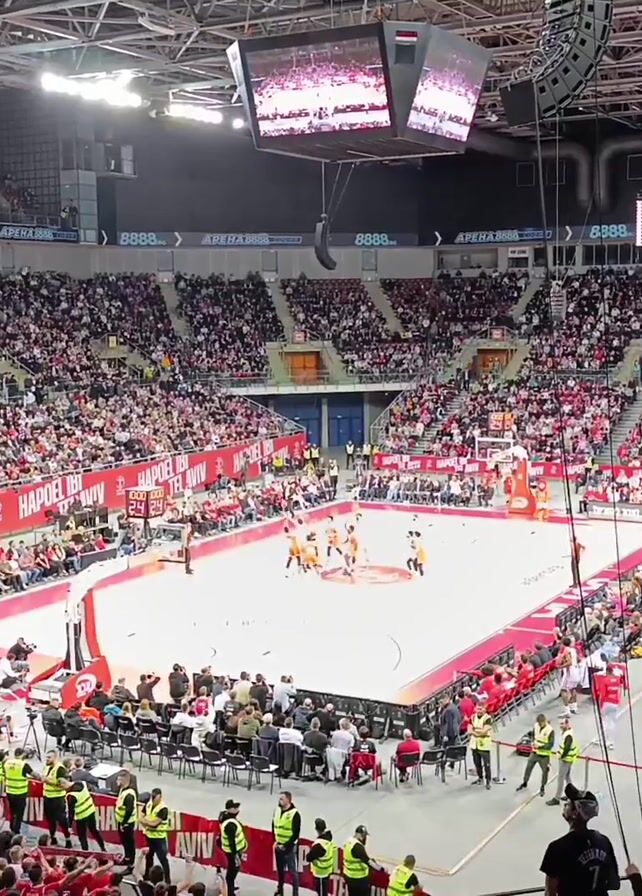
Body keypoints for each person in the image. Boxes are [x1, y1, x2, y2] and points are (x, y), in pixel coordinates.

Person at [540, 784, 619, 895]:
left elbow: (550, 893)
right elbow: (614, 883)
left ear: (575, 813)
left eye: (568, 804)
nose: (565, 805)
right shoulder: (604, 841)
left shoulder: (557, 848)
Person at [62, 777, 106, 851]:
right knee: (94, 831)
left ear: (63, 785)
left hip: (81, 817)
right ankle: (103, 848)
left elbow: (71, 812)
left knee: (82, 836)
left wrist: (69, 825)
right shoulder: (82, 783)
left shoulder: (71, 795)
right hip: (90, 811)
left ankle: (85, 852)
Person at [516, 713, 555, 797]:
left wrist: (541, 747)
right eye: (538, 723)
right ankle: (525, 782)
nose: (539, 725)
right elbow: (533, 735)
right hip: (534, 752)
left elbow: (551, 744)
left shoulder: (550, 730)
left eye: (541, 723)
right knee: (528, 767)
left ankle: (542, 787)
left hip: (544, 755)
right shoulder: (536, 725)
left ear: (544, 721)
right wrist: (533, 742)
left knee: (545, 771)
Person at [42, 750, 73, 848]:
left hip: (57, 799)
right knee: (50, 820)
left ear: (55, 758)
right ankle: (53, 838)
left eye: (49, 757)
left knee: (62, 820)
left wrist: (48, 781)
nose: (47, 759)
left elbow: (64, 785)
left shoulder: (60, 769)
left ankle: (68, 840)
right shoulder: (46, 767)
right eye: (46, 757)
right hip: (47, 797)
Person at [546, 718, 580, 807]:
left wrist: (561, 756)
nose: (561, 726)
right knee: (567, 777)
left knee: (560, 779)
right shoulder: (568, 732)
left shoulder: (568, 735)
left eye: (562, 724)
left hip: (565, 760)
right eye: (560, 724)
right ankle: (571, 795)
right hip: (569, 759)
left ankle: (556, 798)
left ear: (567, 724)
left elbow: (567, 747)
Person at [272, 791, 301, 896]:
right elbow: (274, 826)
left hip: (289, 847)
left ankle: (295, 893)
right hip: (278, 846)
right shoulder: (277, 810)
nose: (279, 801)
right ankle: (280, 890)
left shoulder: (295, 814)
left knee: (293, 873)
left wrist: (285, 845)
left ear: (288, 800)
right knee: (280, 871)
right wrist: (275, 841)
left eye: (282, 799)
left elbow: (296, 834)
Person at [140, 787, 171, 883]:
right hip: (149, 836)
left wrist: (145, 822)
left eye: (155, 797)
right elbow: (140, 817)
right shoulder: (148, 804)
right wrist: (147, 822)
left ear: (160, 797)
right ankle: (147, 875)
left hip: (159, 838)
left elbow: (155, 824)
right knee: (149, 857)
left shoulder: (163, 809)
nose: (153, 799)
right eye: (152, 797)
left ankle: (167, 880)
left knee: (163, 860)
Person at [342, 825, 384, 896]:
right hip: (359, 879)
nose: (365, 839)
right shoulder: (358, 847)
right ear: (361, 836)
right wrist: (381, 869)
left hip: (349, 876)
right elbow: (369, 862)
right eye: (365, 836)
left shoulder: (349, 841)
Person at [2, 748, 36, 834]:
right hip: (20, 793)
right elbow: (35, 775)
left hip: (10, 791)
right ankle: (16, 832)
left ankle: (12, 828)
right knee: (19, 814)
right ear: (22, 754)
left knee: (12, 812)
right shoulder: (23, 765)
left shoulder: (7, 763)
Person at [219, 799, 247, 896]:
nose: (238, 809)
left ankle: (231, 886)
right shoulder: (230, 825)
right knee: (232, 873)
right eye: (236, 808)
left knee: (233, 870)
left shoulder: (226, 817)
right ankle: (231, 892)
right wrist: (235, 856)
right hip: (233, 852)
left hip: (231, 851)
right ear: (231, 809)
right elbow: (232, 842)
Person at [305, 818, 336, 896]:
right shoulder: (329, 838)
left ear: (316, 829)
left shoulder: (319, 845)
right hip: (327, 870)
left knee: (322, 893)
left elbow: (308, 857)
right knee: (323, 892)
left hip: (320, 873)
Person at [115, 770, 138, 868]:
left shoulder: (129, 795)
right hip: (121, 821)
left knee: (129, 842)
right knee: (124, 841)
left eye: (119, 779)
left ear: (124, 781)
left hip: (127, 823)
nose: (117, 781)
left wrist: (124, 823)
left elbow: (129, 810)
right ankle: (127, 857)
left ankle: (130, 861)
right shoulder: (122, 789)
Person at [468, 705, 493, 790]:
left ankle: (488, 781)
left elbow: (484, 731)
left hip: (484, 745)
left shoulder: (488, 718)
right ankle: (480, 778)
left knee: (487, 765)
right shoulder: (473, 717)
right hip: (474, 744)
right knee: (477, 763)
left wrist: (475, 732)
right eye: (477, 709)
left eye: (481, 709)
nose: (479, 711)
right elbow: (469, 730)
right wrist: (478, 732)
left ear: (485, 709)